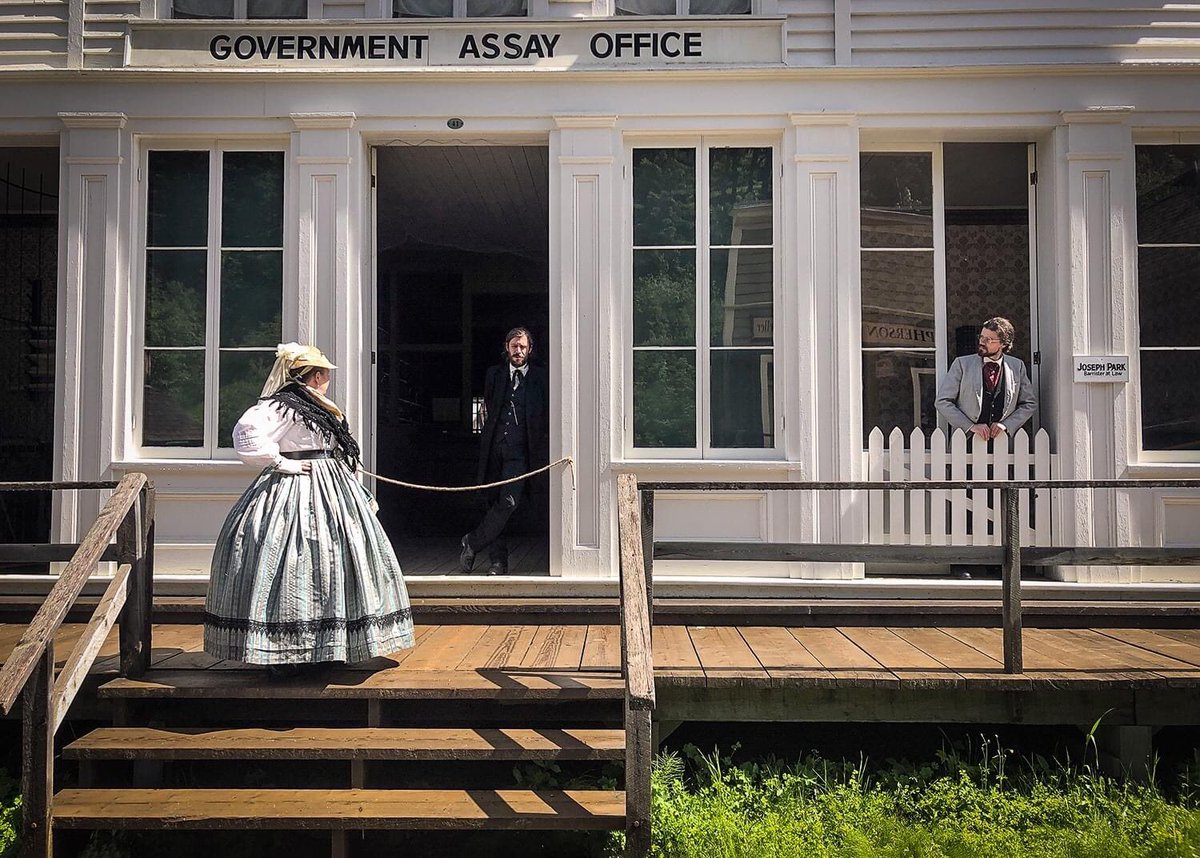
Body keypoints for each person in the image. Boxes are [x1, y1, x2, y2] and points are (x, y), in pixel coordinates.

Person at [204, 342, 414, 677]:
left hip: (329, 483)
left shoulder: (312, 404)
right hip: (298, 485)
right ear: (315, 376)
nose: (328, 378)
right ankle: (288, 650)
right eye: (326, 373)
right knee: (294, 560)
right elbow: (246, 433)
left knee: (337, 559)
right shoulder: (285, 405)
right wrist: (279, 462)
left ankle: (331, 646)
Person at [459, 327, 549, 576]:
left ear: (530, 349)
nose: (518, 351)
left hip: (521, 454)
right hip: (493, 451)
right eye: (514, 346)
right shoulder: (495, 375)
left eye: (522, 347)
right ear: (507, 347)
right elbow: (488, 408)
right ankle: (498, 563)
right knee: (493, 505)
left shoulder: (541, 377)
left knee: (508, 503)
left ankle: (472, 542)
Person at [935, 316, 1037, 442]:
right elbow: (942, 401)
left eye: (988, 339)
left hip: (1002, 443)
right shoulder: (962, 364)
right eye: (981, 337)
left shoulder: (1017, 366)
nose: (981, 342)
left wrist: (1006, 425)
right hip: (966, 442)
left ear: (1003, 343)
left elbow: (1029, 404)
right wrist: (970, 426)